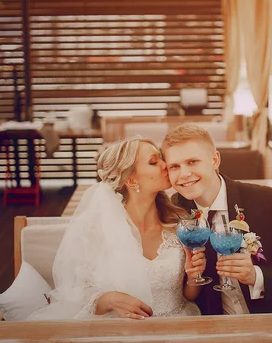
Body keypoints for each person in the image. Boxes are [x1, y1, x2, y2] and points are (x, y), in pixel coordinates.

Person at [28, 137, 204, 320]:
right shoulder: (96, 229)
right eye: (153, 162)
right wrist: (109, 300)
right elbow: (75, 293)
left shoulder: (179, 224)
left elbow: (188, 296)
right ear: (131, 180)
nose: (165, 164)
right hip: (121, 331)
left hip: (177, 325)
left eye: (161, 158)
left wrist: (193, 276)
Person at [162, 124, 272, 315]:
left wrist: (257, 276)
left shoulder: (269, 201)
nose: (184, 174)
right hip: (214, 328)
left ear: (214, 160)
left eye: (193, 162)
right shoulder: (174, 211)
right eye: (174, 166)